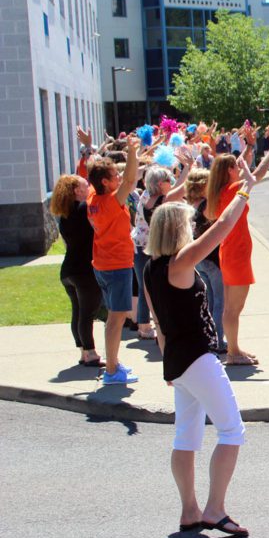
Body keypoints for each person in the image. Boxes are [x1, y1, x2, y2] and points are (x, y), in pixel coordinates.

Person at [143, 176, 257, 538]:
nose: (194, 228)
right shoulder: (180, 262)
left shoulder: (151, 269)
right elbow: (223, 226)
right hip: (197, 357)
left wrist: (170, 367)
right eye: (189, 225)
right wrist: (244, 190)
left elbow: (158, 324)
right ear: (178, 231)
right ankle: (214, 509)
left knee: (186, 436)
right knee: (232, 430)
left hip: (178, 360)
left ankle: (190, 510)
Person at [205, 126, 269, 366]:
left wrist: (249, 146)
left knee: (230, 308)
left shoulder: (220, 192)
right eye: (235, 166)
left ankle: (234, 348)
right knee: (234, 308)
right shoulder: (235, 189)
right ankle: (234, 353)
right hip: (236, 255)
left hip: (230, 253)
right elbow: (257, 173)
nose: (239, 166)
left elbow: (242, 164)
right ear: (229, 171)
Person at [87, 138, 142, 384]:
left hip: (103, 265)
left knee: (114, 317)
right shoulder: (110, 201)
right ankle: (111, 372)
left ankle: (113, 363)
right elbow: (130, 181)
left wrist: (90, 148)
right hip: (116, 267)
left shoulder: (93, 199)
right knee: (115, 319)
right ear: (105, 182)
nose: (119, 178)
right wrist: (131, 151)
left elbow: (92, 168)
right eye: (114, 175)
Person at [131, 151, 193, 341]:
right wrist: (189, 168)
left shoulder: (146, 196)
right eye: (168, 180)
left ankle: (144, 325)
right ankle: (145, 327)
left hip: (141, 248)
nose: (171, 182)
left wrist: (187, 168)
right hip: (148, 250)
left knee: (146, 288)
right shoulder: (159, 201)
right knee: (150, 290)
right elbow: (182, 188)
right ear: (160, 184)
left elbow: (178, 187)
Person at [50, 174, 103, 368]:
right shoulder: (82, 209)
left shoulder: (65, 212)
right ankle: (89, 352)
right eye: (85, 185)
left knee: (78, 312)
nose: (88, 187)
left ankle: (84, 351)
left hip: (69, 270)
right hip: (83, 271)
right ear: (76, 190)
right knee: (87, 313)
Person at [185, 168, 226, 352]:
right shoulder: (206, 206)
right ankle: (217, 340)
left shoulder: (189, 205)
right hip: (211, 258)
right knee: (219, 302)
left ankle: (207, 336)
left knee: (208, 301)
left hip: (198, 258)